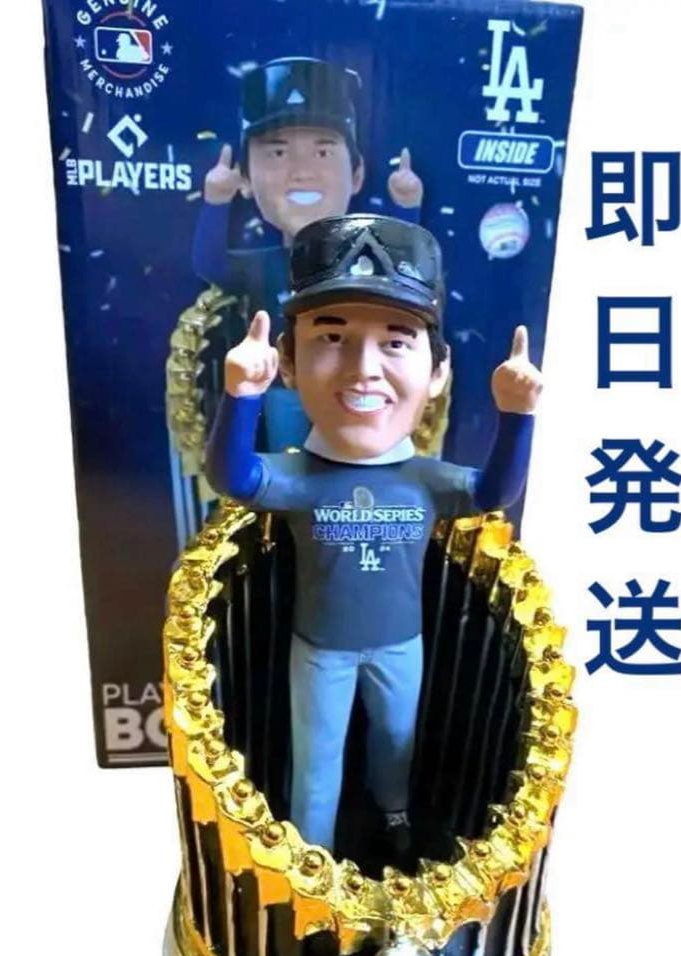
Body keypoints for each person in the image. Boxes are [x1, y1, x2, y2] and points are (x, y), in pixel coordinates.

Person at [206, 214, 542, 856]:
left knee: (396, 744)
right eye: (332, 338)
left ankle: (395, 818)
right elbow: (236, 477)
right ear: (289, 362)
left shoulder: (424, 480)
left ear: (438, 372)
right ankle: (310, 857)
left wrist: (517, 416)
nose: (363, 369)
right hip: (319, 651)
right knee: (317, 758)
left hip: (401, 647)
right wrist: (240, 397)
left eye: (395, 342)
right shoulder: (301, 478)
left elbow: (493, 492)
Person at [193, 57, 424, 450]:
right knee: (290, 465)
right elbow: (210, 265)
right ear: (246, 179)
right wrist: (216, 202)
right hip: (283, 391)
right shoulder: (263, 264)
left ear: (357, 175)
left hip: (355, 387)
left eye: (323, 152)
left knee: (349, 461)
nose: (302, 171)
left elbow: (406, 272)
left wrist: (406, 208)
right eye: (278, 153)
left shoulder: (364, 261)